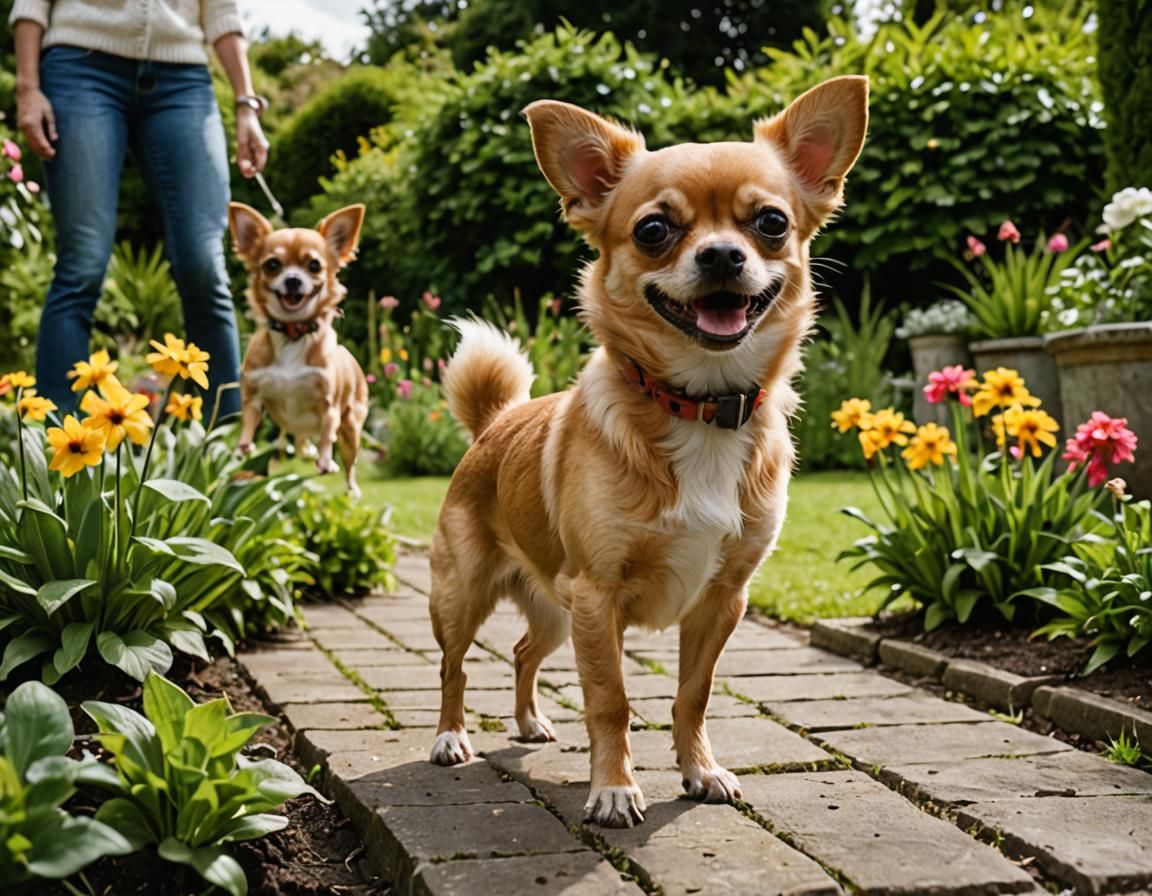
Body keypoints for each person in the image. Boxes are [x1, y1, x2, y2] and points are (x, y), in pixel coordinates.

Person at [10, 0, 269, 417]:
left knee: (205, 265)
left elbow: (222, 12)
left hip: (183, 78)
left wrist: (246, 103)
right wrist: (27, 86)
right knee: (83, 264)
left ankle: (230, 454)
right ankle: (56, 452)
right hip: (80, 65)